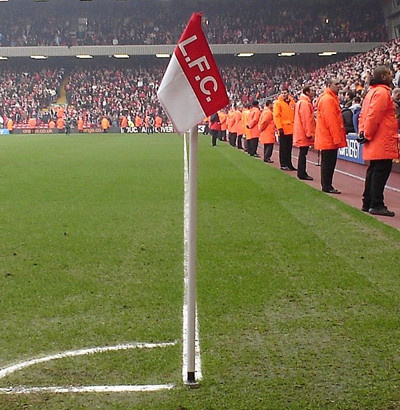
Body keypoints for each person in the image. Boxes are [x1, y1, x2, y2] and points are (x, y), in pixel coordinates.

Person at [358, 65, 399, 217]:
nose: (391, 75)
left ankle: (367, 201)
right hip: (382, 138)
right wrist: (367, 133)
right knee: (380, 172)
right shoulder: (382, 92)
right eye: (389, 73)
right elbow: (374, 115)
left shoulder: (371, 93)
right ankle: (376, 204)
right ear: (383, 77)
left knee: (373, 171)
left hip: (375, 138)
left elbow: (364, 115)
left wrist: (363, 132)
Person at [315, 78, 347, 194]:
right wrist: (337, 139)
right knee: (328, 163)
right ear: (329, 85)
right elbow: (331, 121)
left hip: (327, 137)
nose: (338, 86)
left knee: (328, 162)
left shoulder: (329, 98)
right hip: (328, 138)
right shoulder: (328, 100)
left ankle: (327, 185)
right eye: (336, 84)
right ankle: (327, 185)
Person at [293, 85, 316, 180]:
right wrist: (309, 133)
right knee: (303, 153)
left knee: (303, 153)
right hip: (303, 132)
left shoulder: (301, 102)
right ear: (307, 92)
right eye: (312, 90)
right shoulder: (305, 103)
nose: (314, 92)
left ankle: (301, 172)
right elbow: (306, 119)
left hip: (301, 131)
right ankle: (302, 173)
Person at [273, 88, 296, 171]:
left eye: (285, 92)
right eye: (282, 93)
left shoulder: (292, 102)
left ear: (288, 93)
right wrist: (279, 127)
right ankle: (283, 164)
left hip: (291, 128)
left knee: (289, 148)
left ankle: (289, 164)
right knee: (283, 148)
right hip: (283, 128)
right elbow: (276, 116)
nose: (283, 94)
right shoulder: (278, 103)